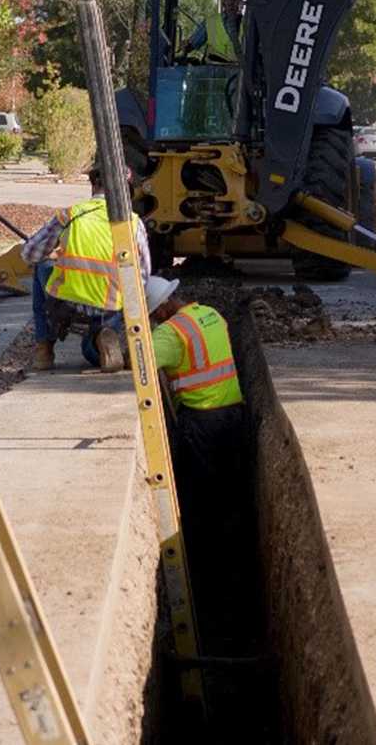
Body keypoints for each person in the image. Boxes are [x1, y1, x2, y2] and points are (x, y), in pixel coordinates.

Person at [142, 274, 257, 657]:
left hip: (202, 426)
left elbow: (134, 362)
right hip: (234, 416)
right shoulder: (212, 315)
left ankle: (207, 576)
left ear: (158, 309)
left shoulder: (168, 336)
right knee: (233, 493)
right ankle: (239, 571)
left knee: (200, 503)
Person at [21, 163, 151, 372]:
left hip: (69, 307)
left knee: (41, 266)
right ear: (126, 191)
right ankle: (104, 339)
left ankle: (45, 348)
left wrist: (58, 255)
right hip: (110, 309)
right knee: (91, 352)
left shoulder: (71, 214)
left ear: (93, 185)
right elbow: (143, 277)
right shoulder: (133, 224)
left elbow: (30, 254)